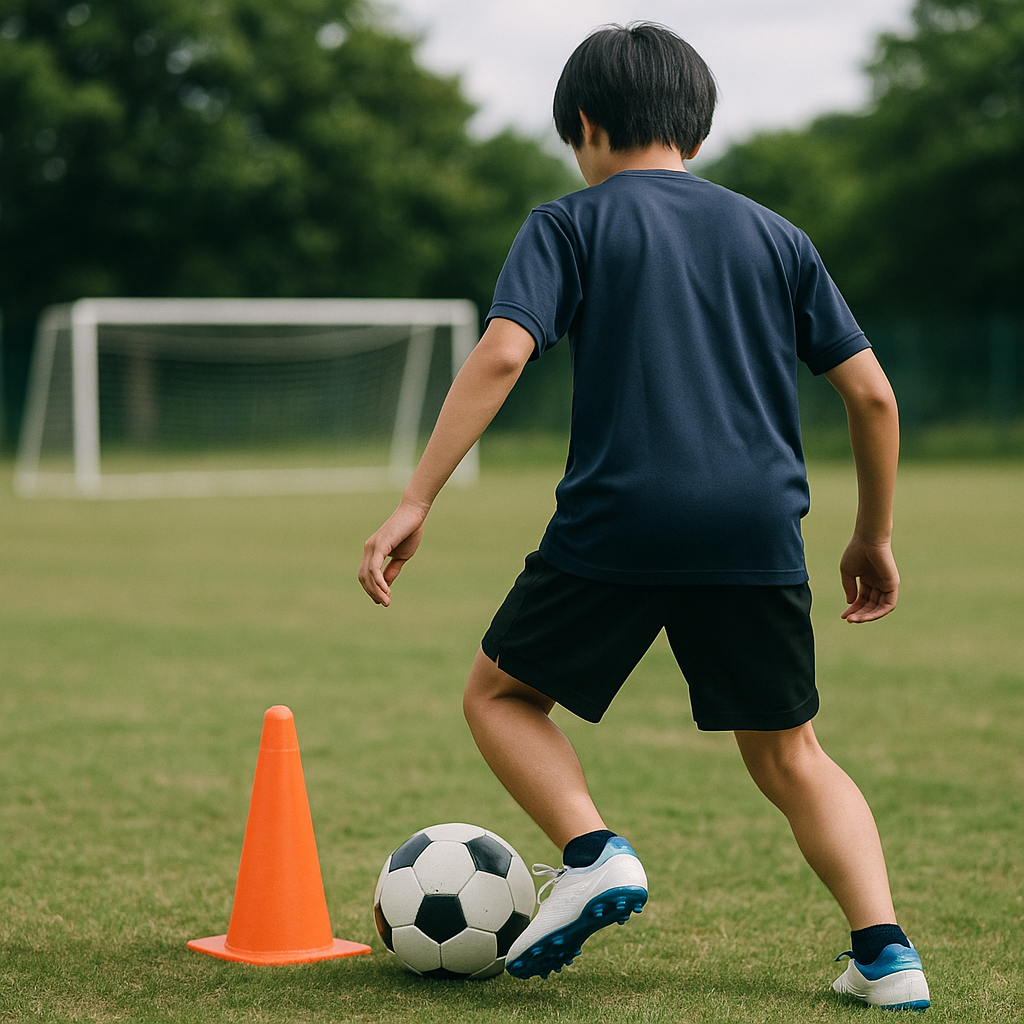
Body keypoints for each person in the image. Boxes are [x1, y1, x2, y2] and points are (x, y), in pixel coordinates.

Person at [359, 22, 930, 1011]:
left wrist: (415, 499)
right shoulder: (776, 235)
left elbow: (500, 354)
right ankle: (885, 956)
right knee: (789, 750)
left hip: (619, 519)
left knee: (499, 696)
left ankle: (591, 853)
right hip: (756, 528)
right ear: (696, 135)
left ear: (582, 124)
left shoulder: (567, 222)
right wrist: (871, 534)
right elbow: (873, 396)